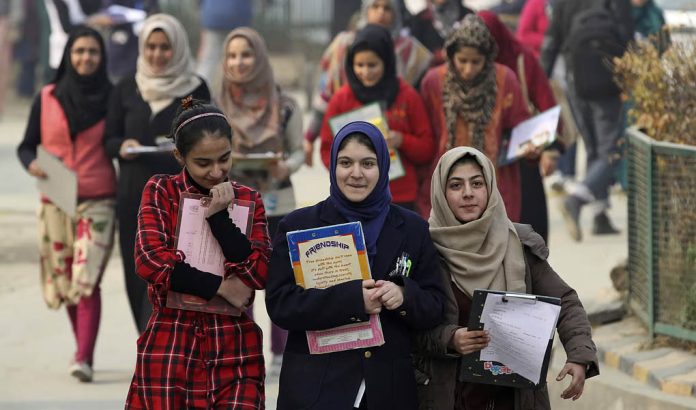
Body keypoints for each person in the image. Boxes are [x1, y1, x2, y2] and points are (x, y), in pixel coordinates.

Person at [266, 121, 446, 409]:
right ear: (333, 165)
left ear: (384, 166)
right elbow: (280, 305)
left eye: (368, 163)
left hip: (387, 389)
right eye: (346, 163)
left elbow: (435, 306)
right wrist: (352, 300)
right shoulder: (300, 226)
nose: (356, 174)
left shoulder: (412, 229)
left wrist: (404, 295)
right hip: (317, 389)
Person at [414, 146, 599, 409]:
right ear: (440, 193)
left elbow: (566, 301)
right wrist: (450, 339)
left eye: (477, 183)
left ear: (490, 187)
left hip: (515, 399)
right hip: (450, 397)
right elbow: (409, 328)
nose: (468, 193)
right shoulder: (424, 250)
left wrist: (579, 355)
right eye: (455, 185)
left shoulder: (517, 244)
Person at [125, 100, 271, 408]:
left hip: (234, 347)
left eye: (224, 159)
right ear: (180, 156)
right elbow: (150, 261)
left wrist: (220, 219)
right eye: (203, 163)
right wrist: (222, 287)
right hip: (172, 344)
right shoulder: (161, 191)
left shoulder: (248, 200)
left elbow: (259, 273)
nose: (216, 172)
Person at [16, 26, 116, 383]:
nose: (86, 58)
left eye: (93, 52)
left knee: (85, 278)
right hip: (55, 200)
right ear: (68, 56)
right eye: (79, 51)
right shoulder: (46, 97)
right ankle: (81, 349)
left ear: (102, 57)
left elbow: (119, 140)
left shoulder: (112, 97)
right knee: (65, 280)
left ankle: (83, 357)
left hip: (98, 199)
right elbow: (26, 146)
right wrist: (32, 164)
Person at [104, 13, 210, 334]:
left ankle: (168, 342)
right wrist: (122, 145)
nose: (157, 54)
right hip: (133, 197)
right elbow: (108, 139)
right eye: (151, 46)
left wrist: (183, 146)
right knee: (136, 275)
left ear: (178, 47)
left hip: (179, 199)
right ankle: (147, 341)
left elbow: (206, 136)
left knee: (174, 274)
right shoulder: (127, 87)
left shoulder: (194, 89)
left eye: (165, 47)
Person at [216, 26, 304, 370]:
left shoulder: (285, 106)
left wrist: (286, 166)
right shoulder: (217, 106)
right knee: (240, 276)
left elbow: (298, 151)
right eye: (232, 55)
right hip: (234, 204)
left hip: (277, 202)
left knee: (279, 276)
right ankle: (246, 347)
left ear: (260, 58)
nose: (239, 62)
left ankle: (281, 352)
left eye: (246, 54)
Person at [419, 14, 530, 220]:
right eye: (462, 61)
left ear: (487, 59)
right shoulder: (433, 82)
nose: (468, 69)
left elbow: (521, 126)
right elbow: (425, 132)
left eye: (476, 62)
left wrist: (533, 146)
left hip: (494, 184)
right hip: (444, 180)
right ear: (450, 55)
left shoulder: (505, 80)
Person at [540, 0, 633, 241]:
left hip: (576, 80)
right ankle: (577, 199)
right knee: (611, 152)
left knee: (593, 148)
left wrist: (538, 87)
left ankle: (600, 215)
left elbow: (551, 41)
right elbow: (626, 36)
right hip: (607, 81)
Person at [304, 0, 432, 166]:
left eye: (387, 8)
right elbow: (325, 96)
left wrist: (403, 140)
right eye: (375, 6)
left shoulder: (411, 52)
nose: (380, 13)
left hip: (397, 148)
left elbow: (423, 137)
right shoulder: (344, 46)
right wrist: (309, 138)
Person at [320, 24, 434, 210]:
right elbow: (326, 150)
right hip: (356, 198)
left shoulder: (407, 96)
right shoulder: (341, 100)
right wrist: (349, 173)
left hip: (400, 197)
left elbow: (427, 148)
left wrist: (402, 140)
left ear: (387, 62)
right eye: (359, 65)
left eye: (372, 65)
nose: (365, 72)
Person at [479, 10, 561, 241]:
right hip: (482, 155)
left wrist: (548, 151)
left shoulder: (521, 59)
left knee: (528, 229)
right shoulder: (469, 65)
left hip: (522, 152)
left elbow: (547, 104)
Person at [196, 0, 252, 86]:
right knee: (239, 59)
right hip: (238, 15)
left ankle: (198, 91)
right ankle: (240, 90)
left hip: (212, 15)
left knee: (208, 61)